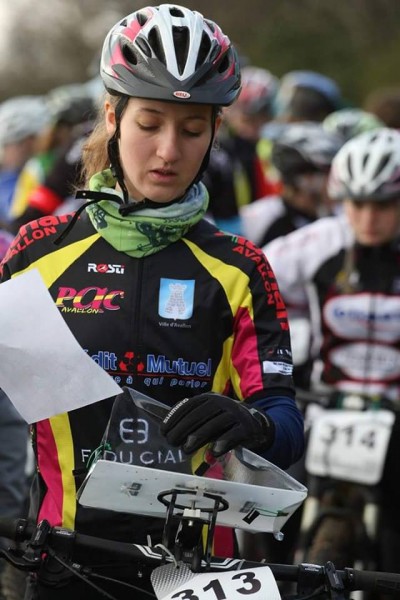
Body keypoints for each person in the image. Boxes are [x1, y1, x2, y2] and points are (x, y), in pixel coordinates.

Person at [0, 5, 304, 599]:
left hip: (196, 569)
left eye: (192, 131)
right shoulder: (38, 251)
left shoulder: (241, 267)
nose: (168, 150)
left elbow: (286, 422)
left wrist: (257, 424)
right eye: (149, 123)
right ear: (113, 117)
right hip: (67, 561)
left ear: (215, 132)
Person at [263, 127, 400, 572]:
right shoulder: (318, 242)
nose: (368, 218)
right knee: (271, 512)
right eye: (356, 204)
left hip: (394, 412)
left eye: (383, 205)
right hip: (324, 406)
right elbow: (251, 280)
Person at [202, 65, 280, 234]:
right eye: (246, 119)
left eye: (259, 118)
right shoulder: (217, 152)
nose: (250, 128)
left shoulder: (269, 149)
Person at [241, 122, 343, 248]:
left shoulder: (334, 215)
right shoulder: (262, 218)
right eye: (327, 172)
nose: (335, 180)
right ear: (305, 179)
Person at [0, 95, 50, 228]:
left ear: (27, 142)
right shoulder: (9, 177)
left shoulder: (36, 168)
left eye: (6, 146)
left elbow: (14, 217)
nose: (4, 155)